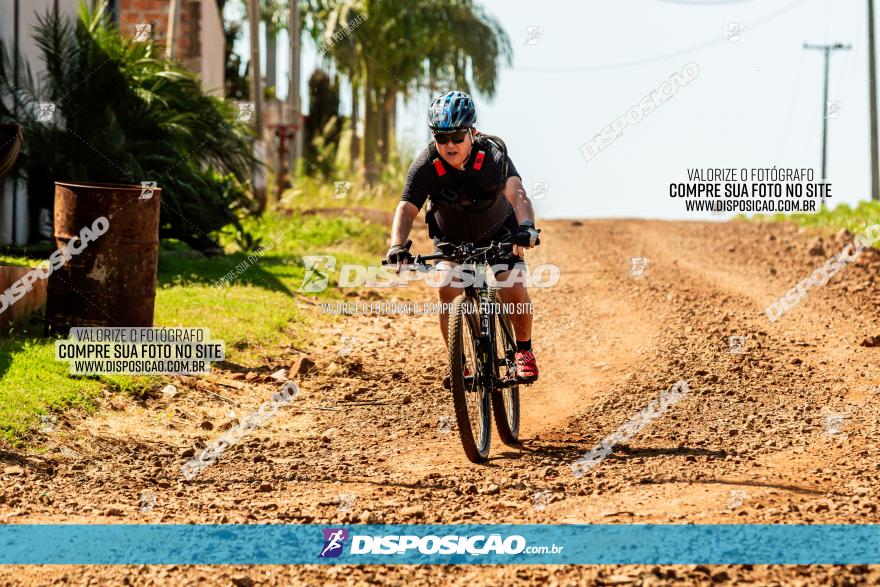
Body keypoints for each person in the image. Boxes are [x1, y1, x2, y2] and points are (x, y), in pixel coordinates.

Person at [385, 90, 541, 383]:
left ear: (472, 132)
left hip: (501, 232)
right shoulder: (426, 165)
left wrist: (526, 227)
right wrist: (397, 245)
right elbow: (406, 209)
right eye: (441, 138)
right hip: (452, 238)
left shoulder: (493, 155)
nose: (449, 145)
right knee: (446, 287)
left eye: (457, 136)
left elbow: (517, 193)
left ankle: (523, 351)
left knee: (513, 288)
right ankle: (460, 364)